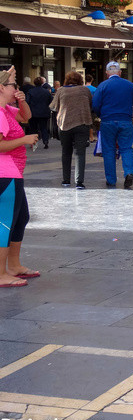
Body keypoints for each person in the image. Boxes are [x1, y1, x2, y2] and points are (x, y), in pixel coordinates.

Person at [0, 66, 40, 288]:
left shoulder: (6, 109)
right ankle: (1, 273)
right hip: (5, 173)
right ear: (0, 88)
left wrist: (21, 100)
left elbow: (26, 117)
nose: (16, 88)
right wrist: (24, 140)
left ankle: (13, 265)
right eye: (12, 85)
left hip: (13, 172)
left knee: (20, 218)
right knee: (5, 223)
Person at [92, 62, 133, 189]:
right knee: (126, 148)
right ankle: (129, 172)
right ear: (120, 73)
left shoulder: (102, 85)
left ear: (107, 73)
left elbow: (95, 104)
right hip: (125, 121)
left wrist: (101, 115)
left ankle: (111, 180)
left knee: (108, 150)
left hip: (107, 121)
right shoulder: (129, 85)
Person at [50, 71, 93, 189]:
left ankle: (66, 180)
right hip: (82, 122)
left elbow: (53, 106)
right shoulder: (85, 90)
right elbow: (90, 103)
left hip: (65, 124)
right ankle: (79, 182)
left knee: (66, 152)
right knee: (80, 153)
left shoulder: (61, 90)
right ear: (80, 80)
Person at [25, 77, 51, 149]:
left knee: (33, 128)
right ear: (42, 83)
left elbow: (27, 101)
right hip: (44, 112)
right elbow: (50, 101)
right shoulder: (46, 92)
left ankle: (34, 143)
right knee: (44, 127)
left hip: (33, 113)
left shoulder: (30, 91)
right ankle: (45, 141)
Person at [85, 73, 98, 142]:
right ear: (92, 80)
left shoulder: (83, 88)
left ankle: (86, 136)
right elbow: (96, 99)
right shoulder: (94, 89)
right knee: (91, 122)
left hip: (84, 108)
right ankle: (91, 137)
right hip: (91, 108)